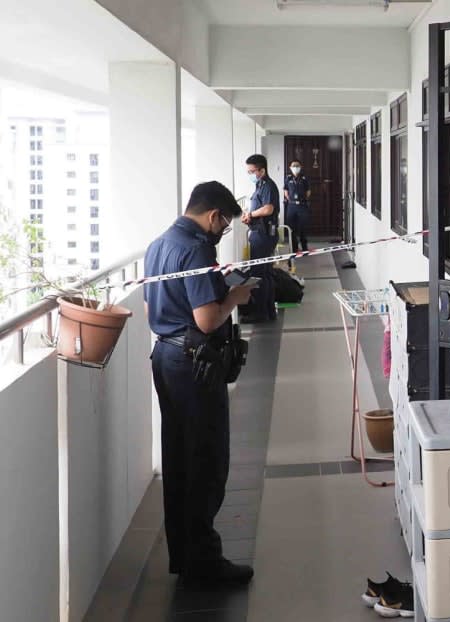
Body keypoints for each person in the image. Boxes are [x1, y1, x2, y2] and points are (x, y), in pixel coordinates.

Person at [144, 181, 257, 588]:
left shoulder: (159, 244)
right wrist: (236, 296)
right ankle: (205, 561)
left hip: (166, 356)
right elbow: (207, 319)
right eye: (224, 223)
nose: (222, 230)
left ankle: (185, 557)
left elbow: (150, 306)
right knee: (206, 461)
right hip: (193, 364)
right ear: (213, 216)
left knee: (178, 460)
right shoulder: (196, 249)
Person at [241, 154, 279, 323]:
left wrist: (250, 214)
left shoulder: (267, 186)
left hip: (263, 235)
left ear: (262, 170)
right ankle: (269, 310)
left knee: (259, 274)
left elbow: (268, 209)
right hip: (262, 233)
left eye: (252, 171)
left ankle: (261, 313)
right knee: (266, 273)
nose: (249, 174)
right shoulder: (260, 185)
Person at [284, 159, 311, 254]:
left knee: (302, 227)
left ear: (300, 167)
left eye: (297, 165)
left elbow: (308, 191)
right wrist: (291, 200)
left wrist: (302, 200)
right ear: (290, 168)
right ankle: (294, 248)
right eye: (293, 166)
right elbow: (285, 190)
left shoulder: (304, 178)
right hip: (291, 206)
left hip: (302, 205)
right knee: (292, 228)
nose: (295, 167)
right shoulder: (288, 178)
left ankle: (304, 248)